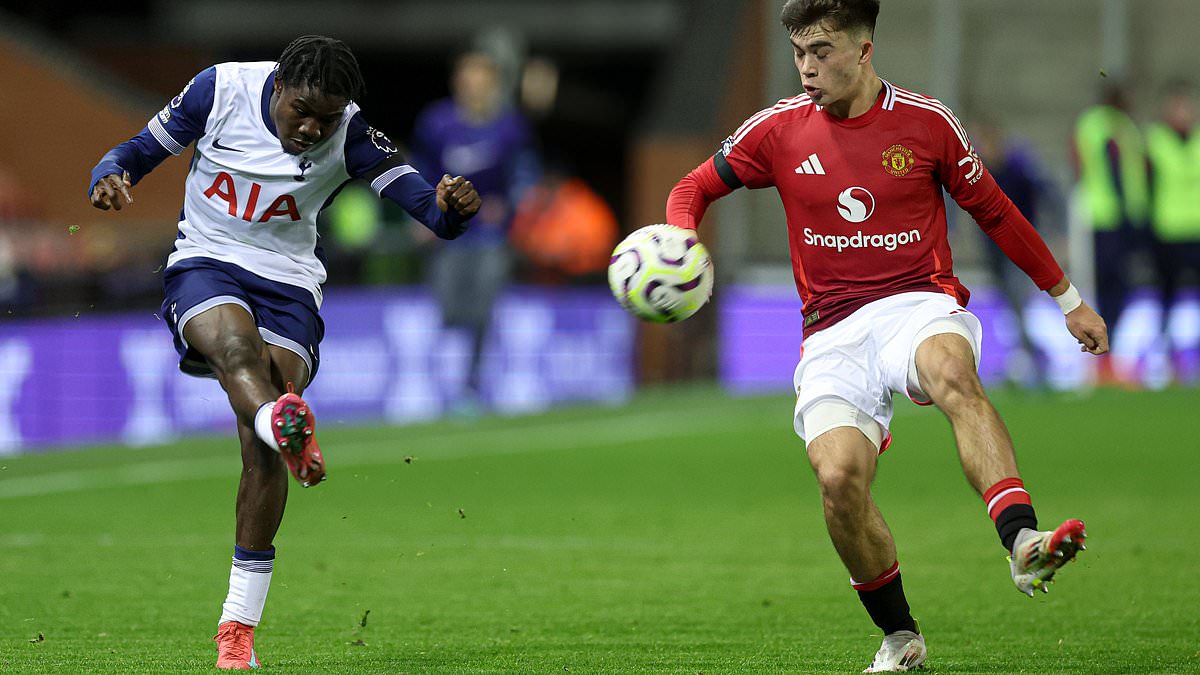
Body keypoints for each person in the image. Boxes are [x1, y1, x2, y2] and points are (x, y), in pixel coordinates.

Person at [663, 1, 1107, 671]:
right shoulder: (778, 130)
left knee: (951, 370)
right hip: (831, 333)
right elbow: (692, 187)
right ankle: (901, 636)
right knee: (839, 478)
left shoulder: (927, 124)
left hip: (917, 303)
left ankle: (1020, 542)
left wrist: (1066, 298)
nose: (807, 68)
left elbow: (996, 211)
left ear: (864, 51)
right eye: (798, 54)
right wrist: (679, 237)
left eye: (822, 51)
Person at [87, 36, 480, 670]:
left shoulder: (349, 132)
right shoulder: (221, 89)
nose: (311, 128)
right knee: (239, 356)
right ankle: (283, 423)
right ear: (276, 89)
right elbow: (136, 149)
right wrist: (109, 175)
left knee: (259, 450)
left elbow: (428, 210)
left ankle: (237, 628)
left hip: (289, 282)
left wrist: (452, 208)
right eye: (302, 111)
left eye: (326, 118)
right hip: (206, 261)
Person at [410, 49, 540, 413]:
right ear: (458, 84)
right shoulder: (437, 123)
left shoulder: (510, 127)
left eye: (481, 82)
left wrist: (510, 206)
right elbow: (419, 171)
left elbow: (525, 175)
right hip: (449, 232)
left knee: (482, 310)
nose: (474, 89)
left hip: (489, 236)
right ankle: (442, 382)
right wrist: (420, 214)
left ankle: (470, 385)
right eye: (468, 81)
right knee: (450, 310)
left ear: (493, 86)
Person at [971, 118, 1060, 386]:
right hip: (994, 252)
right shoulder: (980, 172)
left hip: (1019, 250)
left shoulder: (1018, 168)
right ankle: (1031, 359)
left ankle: (1037, 362)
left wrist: (1053, 232)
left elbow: (1045, 195)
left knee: (1018, 305)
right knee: (1012, 307)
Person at [1074, 81, 1150, 340]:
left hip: (1119, 216)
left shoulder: (1116, 125)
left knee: (1118, 282)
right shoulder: (1107, 125)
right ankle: (1104, 340)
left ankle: (1109, 341)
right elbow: (1111, 168)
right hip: (1106, 217)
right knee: (1110, 282)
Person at [1146, 79, 1200, 381]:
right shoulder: (1156, 141)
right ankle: (1163, 357)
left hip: (1196, 228)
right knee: (1166, 297)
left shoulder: (1197, 140)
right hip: (1166, 230)